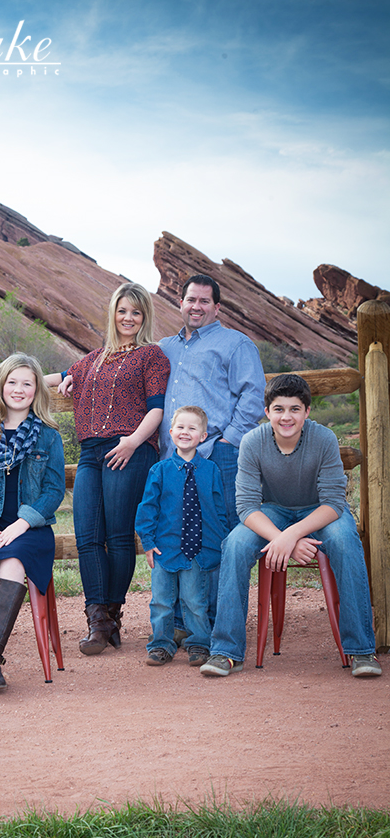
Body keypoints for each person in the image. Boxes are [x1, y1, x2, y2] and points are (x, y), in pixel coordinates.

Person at [201, 373, 382, 679]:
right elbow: (246, 508)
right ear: (267, 411)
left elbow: (334, 503)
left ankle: (362, 650)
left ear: (307, 411)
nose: (287, 417)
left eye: (295, 409)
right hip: (273, 513)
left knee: (345, 541)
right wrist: (282, 538)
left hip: (321, 512)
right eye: (279, 409)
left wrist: (292, 536)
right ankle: (226, 652)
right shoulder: (252, 442)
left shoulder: (323, 439)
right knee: (234, 544)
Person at [46, 283, 170, 655]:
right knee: (87, 535)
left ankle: (108, 618)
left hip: (129, 448)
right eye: (122, 311)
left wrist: (132, 442)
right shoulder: (95, 358)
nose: (128, 318)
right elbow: (54, 377)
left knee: (117, 536)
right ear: (113, 314)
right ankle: (98, 619)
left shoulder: (153, 356)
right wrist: (61, 378)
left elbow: (157, 408)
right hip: (90, 453)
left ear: (144, 317)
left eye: (136, 312)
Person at [158, 273, 266, 640]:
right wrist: (69, 376)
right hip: (172, 461)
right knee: (173, 535)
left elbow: (253, 395)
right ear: (181, 301)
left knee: (218, 539)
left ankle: (218, 623)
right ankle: (177, 623)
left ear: (217, 307)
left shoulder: (235, 344)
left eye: (205, 301)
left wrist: (227, 442)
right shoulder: (164, 347)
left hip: (216, 456)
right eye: (191, 299)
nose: (197, 306)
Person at [0, 353, 65, 693]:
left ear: (37, 391)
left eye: (27, 384)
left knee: (13, 562)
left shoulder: (48, 436)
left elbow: (53, 490)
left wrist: (21, 524)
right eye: (12, 382)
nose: (19, 389)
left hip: (29, 531)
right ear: (1, 385)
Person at [135, 406, 228, 666]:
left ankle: (199, 643)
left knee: (195, 600)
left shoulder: (211, 470)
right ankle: (161, 645)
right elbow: (147, 509)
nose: (185, 432)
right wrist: (149, 543)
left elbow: (219, 510)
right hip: (165, 549)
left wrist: (218, 544)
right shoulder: (160, 471)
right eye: (180, 427)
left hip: (198, 549)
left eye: (192, 428)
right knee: (162, 601)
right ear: (171, 432)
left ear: (203, 435)